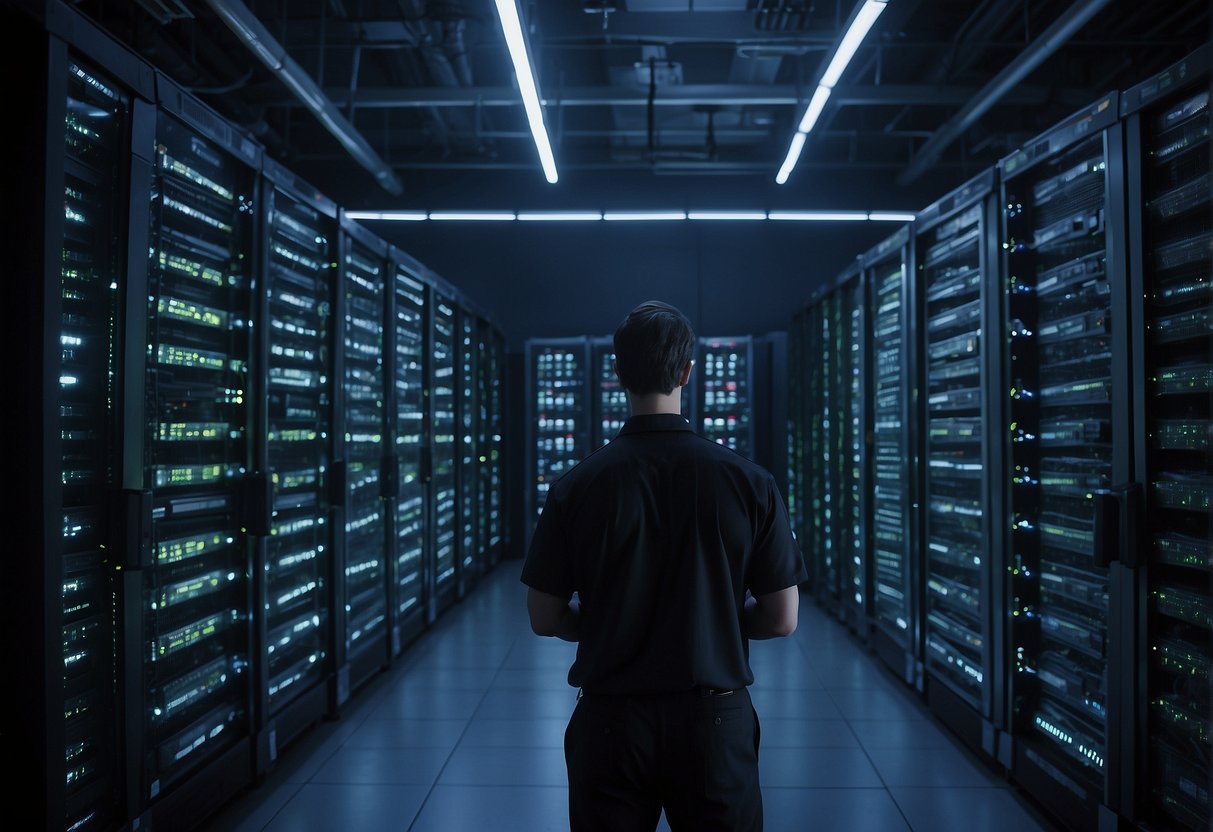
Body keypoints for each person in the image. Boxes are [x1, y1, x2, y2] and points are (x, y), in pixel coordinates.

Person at [521, 300, 806, 832]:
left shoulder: (576, 487)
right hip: (714, 722)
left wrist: (604, 623)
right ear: (686, 371)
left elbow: (542, 615)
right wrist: (715, 618)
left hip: (610, 723)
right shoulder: (749, 483)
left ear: (617, 373)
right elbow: (782, 617)